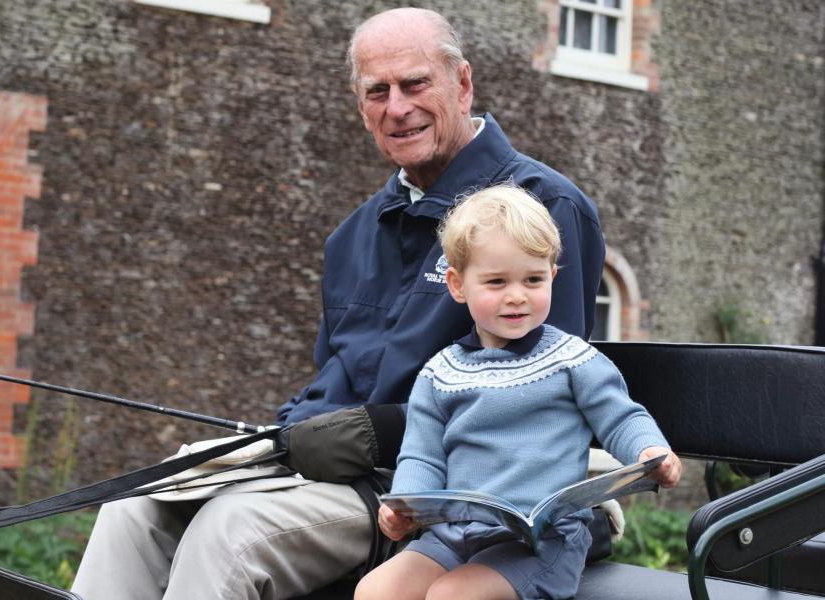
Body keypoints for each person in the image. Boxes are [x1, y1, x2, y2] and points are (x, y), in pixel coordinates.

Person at [72, 8, 605, 600]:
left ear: (462, 84)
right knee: (138, 504)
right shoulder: (353, 236)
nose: (396, 107)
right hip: (325, 475)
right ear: (362, 110)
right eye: (377, 91)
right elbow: (334, 385)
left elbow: (542, 402)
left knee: (229, 532)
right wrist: (278, 435)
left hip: (433, 496)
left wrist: (378, 432)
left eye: (414, 84)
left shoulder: (543, 207)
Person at [354, 186, 682, 600]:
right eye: (496, 281)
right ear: (457, 284)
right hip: (456, 536)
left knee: (452, 596)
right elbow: (422, 456)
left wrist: (650, 450)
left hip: (541, 542)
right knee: (375, 591)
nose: (516, 295)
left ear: (552, 277)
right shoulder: (440, 373)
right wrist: (403, 508)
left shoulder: (571, 359)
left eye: (533, 279)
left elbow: (621, 418)